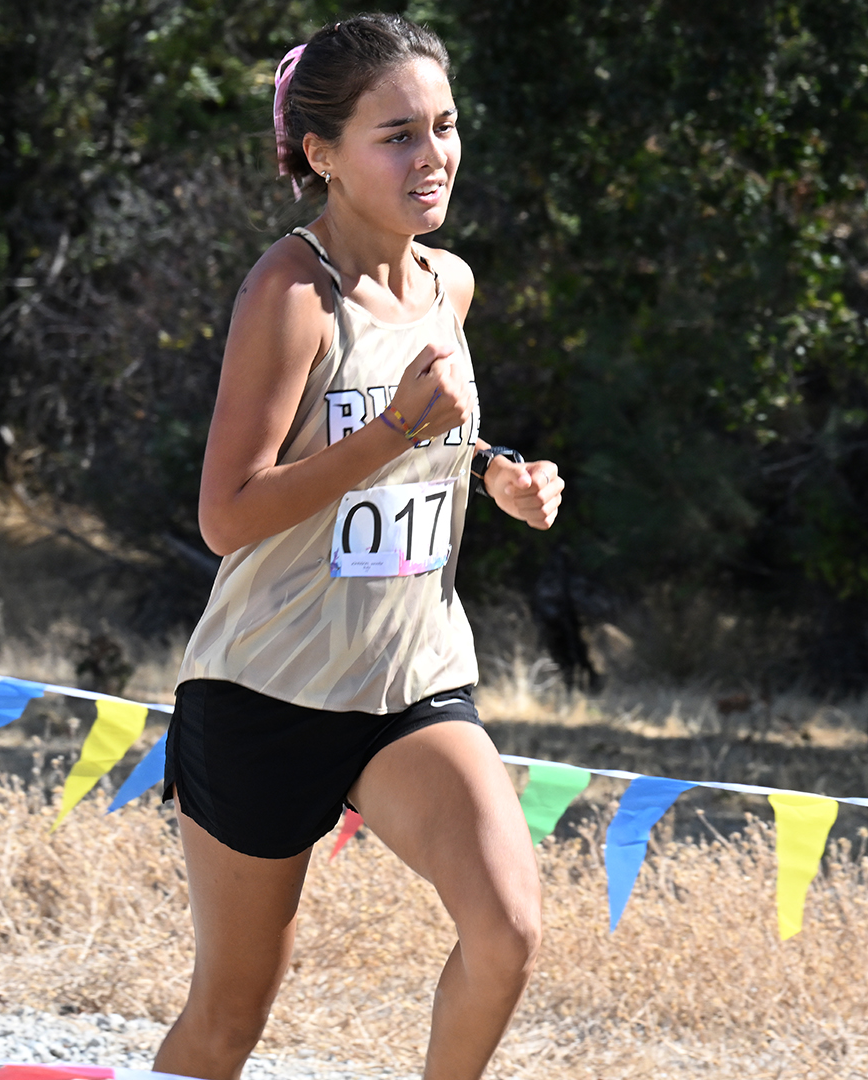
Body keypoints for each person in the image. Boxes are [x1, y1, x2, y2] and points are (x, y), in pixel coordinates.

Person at [154, 15, 563, 1079]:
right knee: (228, 1019)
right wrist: (393, 437)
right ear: (321, 153)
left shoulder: (450, 286)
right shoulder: (292, 297)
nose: (431, 156)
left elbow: (440, 421)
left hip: (410, 683)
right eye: (397, 135)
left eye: (444, 126)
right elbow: (227, 515)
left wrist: (497, 472)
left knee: (508, 933)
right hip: (267, 695)